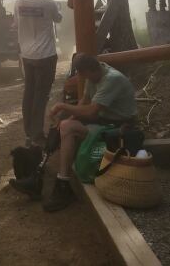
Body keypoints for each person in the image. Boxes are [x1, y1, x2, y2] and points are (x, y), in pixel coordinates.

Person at [11, 54, 137, 212]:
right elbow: (83, 103)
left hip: (119, 128)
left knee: (67, 126)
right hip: (104, 121)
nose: (80, 77)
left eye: (81, 73)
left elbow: (91, 111)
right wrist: (65, 120)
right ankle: (37, 177)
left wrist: (63, 107)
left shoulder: (112, 79)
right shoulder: (94, 75)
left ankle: (63, 185)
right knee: (62, 125)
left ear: (89, 70)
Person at [15, 0, 62, 147]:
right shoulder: (49, 3)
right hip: (46, 55)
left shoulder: (19, 2)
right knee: (41, 95)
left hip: (27, 55)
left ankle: (29, 132)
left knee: (29, 92)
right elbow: (59, 19)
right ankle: (36, 134)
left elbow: (17, 22)